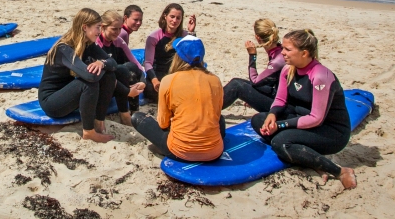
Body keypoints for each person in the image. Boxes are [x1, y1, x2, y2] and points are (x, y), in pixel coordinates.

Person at [250, 29, 357, 189]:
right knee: (258, 120)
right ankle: (307, 156)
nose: (282, 52)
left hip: (330, 131)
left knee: (281, 143)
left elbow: (316, 118)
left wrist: (281, 125)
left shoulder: (320, 76)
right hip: (302, 119)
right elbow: (280, 99)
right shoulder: (288, 69)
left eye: (287, 49)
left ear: (304, 53)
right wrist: (272, 115)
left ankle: (340, 171)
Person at [132, 35, 225, 161]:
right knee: (219, 119)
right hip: (215, 152)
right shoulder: (215, 79)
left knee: (138, 118)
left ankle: (165, 149)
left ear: (178, 56)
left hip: (180, 151)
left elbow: (163, 122)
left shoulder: (168, 80)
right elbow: (217, 114)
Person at [38, 8, 117, 143]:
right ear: (85, 27)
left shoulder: (88, 44)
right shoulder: (63, 48)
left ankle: (99, 120)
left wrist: (101, 63)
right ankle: (88, 132)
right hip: (51, 102)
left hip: (67, 95)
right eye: (97, 28)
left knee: (109, 75)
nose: (99, 32)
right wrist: (102, 66)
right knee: (88, 83)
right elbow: (90, 77)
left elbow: (113, 63)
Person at [223, 18, 285, 113]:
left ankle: (207, 108)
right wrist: (254, 95)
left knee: (237, 85)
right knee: (237, 82)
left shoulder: (277, 60)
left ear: (257, 37)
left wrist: (252, 56)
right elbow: (272, 80)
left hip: (281, 105)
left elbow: (255, 81)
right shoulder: (280, 50)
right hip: (279, 94)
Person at [96, 10, 146, 126]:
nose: (118, 32)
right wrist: (127, 91)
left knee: (130, 67)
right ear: (103, 27)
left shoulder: (118, 41)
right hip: (102, 86)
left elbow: (136, 65)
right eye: (114, 29)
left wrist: (143, 82)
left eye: (119, 29)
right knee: (121, 70)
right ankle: (123, 114)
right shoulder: (96, 44)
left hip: (118, 84)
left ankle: (134, 112)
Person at [144, 3, 196, 102]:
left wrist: (191, 32)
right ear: (165, 16)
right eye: (172, 17)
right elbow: (147, 63)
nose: (174, 21)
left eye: (178, 18)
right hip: (158, 75)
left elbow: (193, 55)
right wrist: (154, 80)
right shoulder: (154, 37)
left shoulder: (184, 36)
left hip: (176, 75)